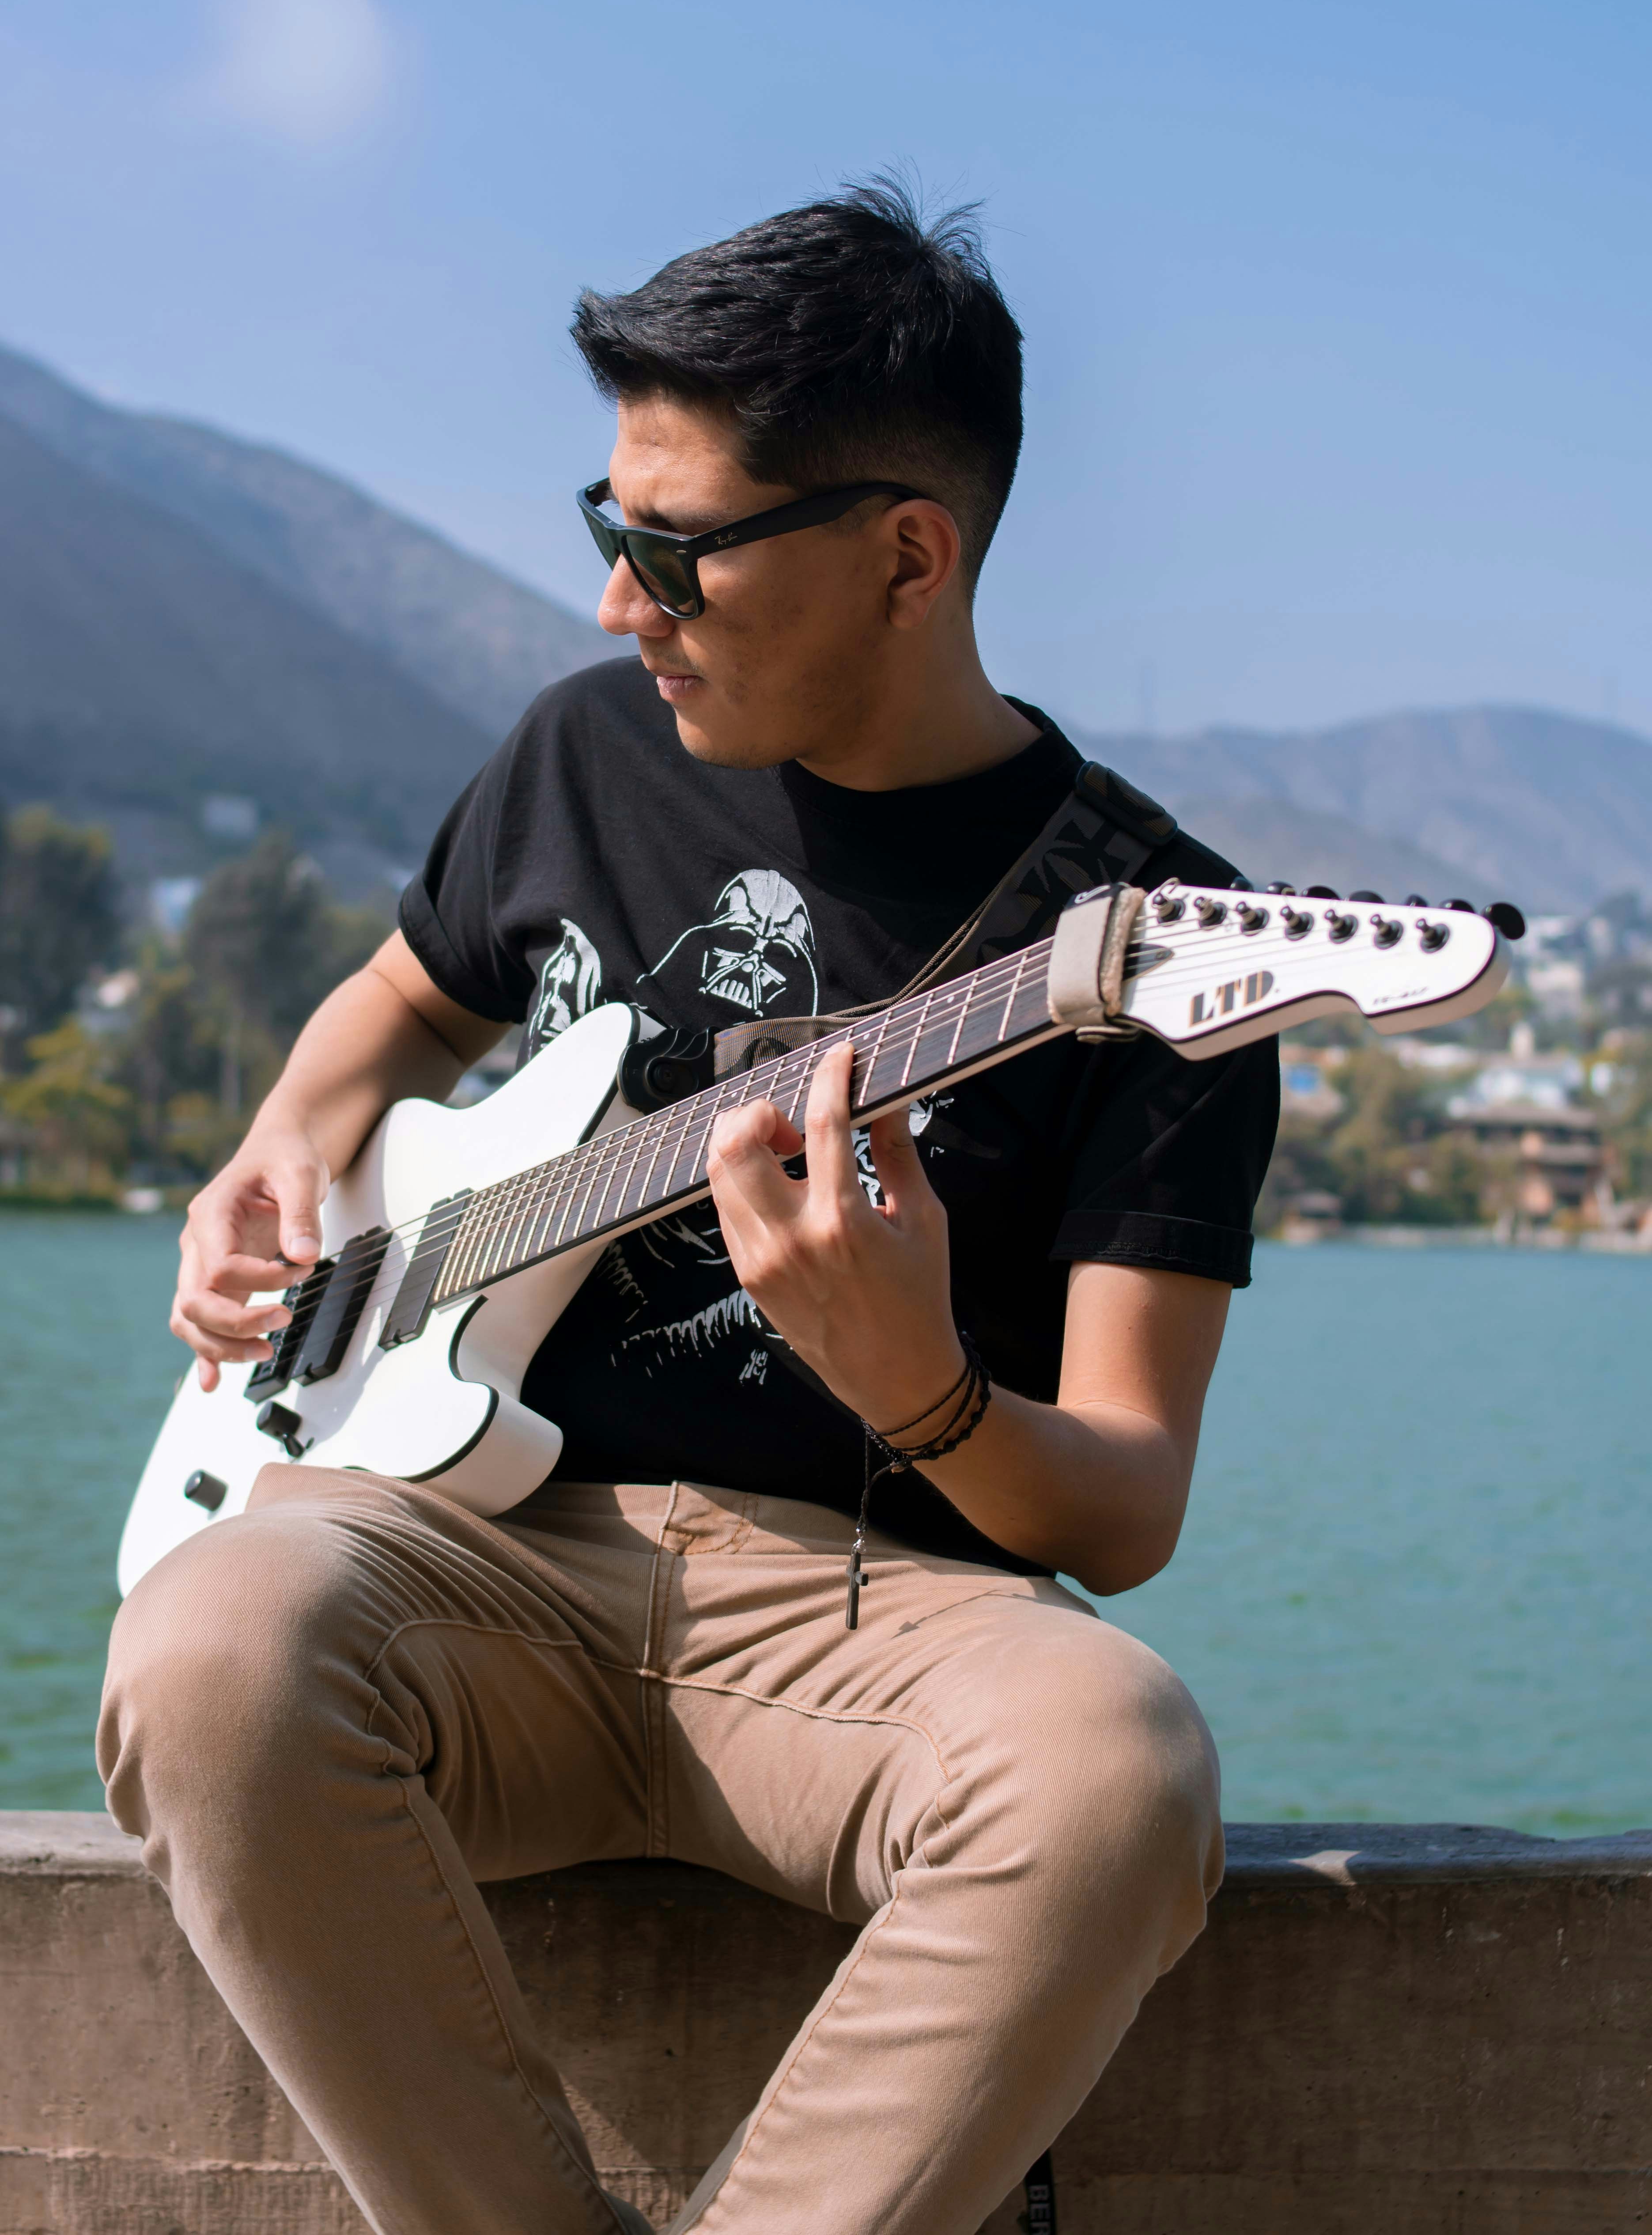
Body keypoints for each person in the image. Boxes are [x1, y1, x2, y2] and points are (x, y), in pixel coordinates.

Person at [99, 179, 1278, 2235]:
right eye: (604, 529)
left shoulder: (1151, 946)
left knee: (1113, 1772)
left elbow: (1124, 1510)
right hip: (466, 1566)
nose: (619, 604)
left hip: (865, 1622)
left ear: (909, 554)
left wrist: (919, 1390)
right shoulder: (581, 753)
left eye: (675, 554)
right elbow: (387, 1015)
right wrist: (277, 1153)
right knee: (208, 1647)